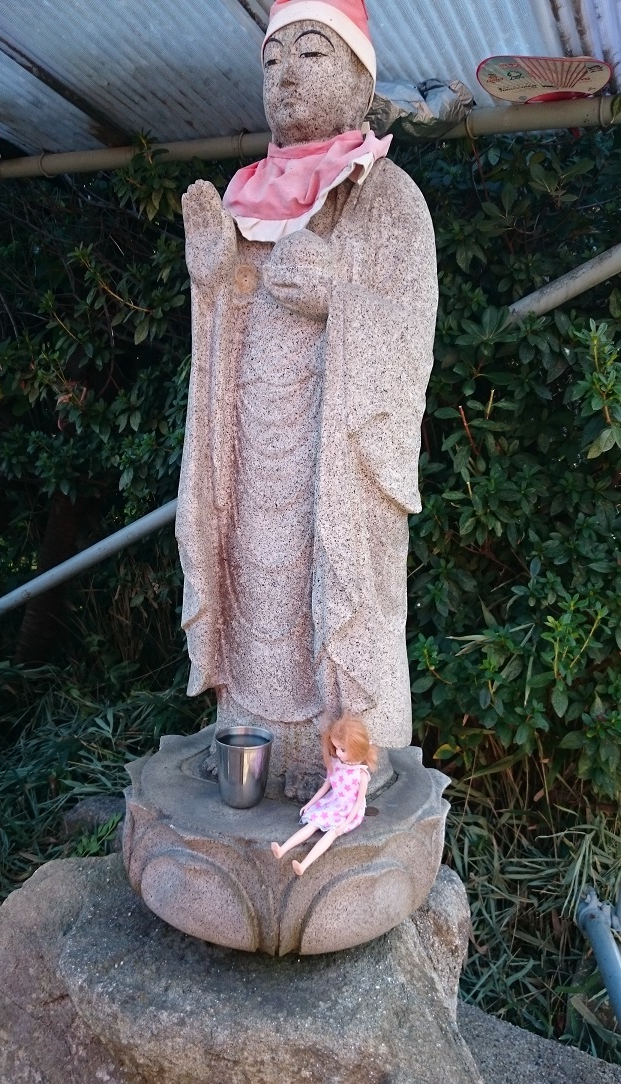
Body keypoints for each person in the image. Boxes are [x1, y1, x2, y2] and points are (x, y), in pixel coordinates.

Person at [176, 0, 438, 798]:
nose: (285, 75)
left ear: (360, 83)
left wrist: (339, 297)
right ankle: (251, 730)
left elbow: (413, 329)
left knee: (330, 585)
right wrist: (211, 281)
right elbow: (226, 329)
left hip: (336, 454)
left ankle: (342, 754)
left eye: (312, 53)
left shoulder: (387, 196)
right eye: (272, 60)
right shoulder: (246, 195)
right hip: (250, 440)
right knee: (251, 572)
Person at [271, 713, 377, 874]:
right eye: (336, 748)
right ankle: (282, 849)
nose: (338, 753)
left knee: (332, 833)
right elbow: (324, 788)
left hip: (348, 810)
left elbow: (359, 802)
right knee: (312, 824)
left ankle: (304, 865)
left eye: (342, 749)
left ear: (356, 749)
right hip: (333, 803)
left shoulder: (361, 775)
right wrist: (309, 804)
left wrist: (346, 823)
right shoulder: (336, 765)